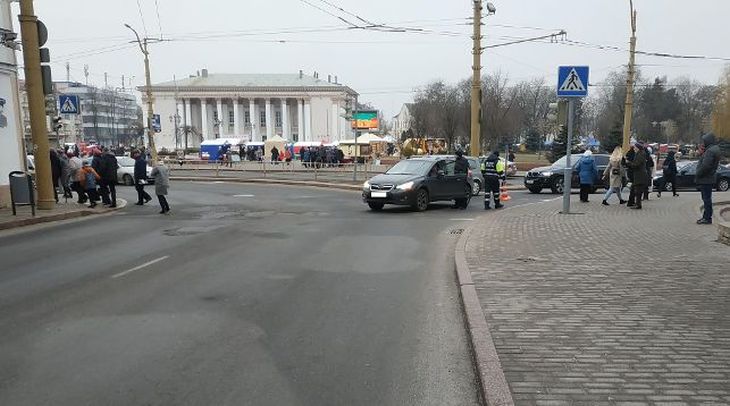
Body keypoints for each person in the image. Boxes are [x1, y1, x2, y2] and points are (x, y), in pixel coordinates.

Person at [695, 133, 721, 224]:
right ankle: (707, 216)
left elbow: (706, 166)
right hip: (709, 177)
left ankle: (707, 217)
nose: (703, 143)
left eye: (704, 141)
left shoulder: (710, 151)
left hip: (706, 178)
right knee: (707, 198)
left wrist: (698, 173)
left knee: (706, 199)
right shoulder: (714, 149)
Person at [626, 143, 647, 210]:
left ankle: (638, 205)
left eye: (634, 147)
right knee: (637, 190)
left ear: (638, 148)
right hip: (639, 174)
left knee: (638, 191)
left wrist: (628, 162)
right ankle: (637, 204)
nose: (634, 148)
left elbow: (636, 165)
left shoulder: (640, 154)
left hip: (640, 175)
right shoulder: (639, 154)